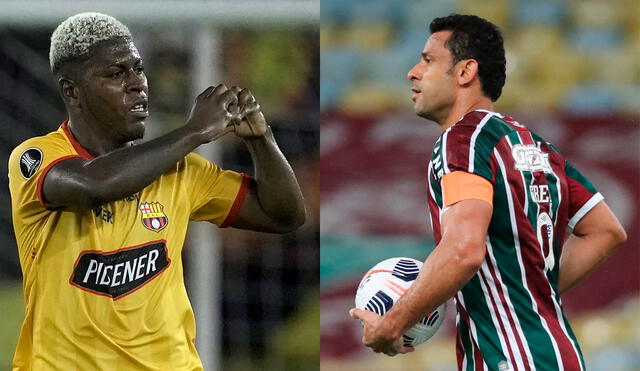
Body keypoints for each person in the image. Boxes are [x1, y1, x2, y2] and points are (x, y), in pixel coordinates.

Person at [8, 12, 305, 370]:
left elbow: (284, 215)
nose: (138, 84)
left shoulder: (180, 170)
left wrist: (262, 140)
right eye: (117, 74)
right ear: (72, 91)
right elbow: (95, 185)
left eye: (138, 69)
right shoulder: (36, 157)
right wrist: (195, 131)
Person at [349, 14, 626, 370]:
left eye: (428, 60)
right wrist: (528, 295)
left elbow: (463, 249)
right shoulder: (534, 145)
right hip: (555, 351)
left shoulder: (462, 141)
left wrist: (393, 322)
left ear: (465, 72)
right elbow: (605, 231)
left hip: (510, 358)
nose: (413, 72)